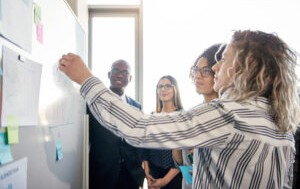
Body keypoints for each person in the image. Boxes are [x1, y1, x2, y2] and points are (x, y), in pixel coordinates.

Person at [59, 30, 300, 189]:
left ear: (245, 68)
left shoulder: (230, 115)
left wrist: (86, 79)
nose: (215, 67)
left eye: (224, 59)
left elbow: (138, 127)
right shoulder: (281, 124)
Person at [172, 43, 226, 189]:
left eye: (205, 71)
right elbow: (181, 163)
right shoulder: (190, 113)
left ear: (219, 71)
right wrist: (177, 143)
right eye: (196, 70)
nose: (197, 75)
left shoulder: (228, 115)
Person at [88, 59, 145, 189]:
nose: (120, 75)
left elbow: (139, 140)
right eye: (116, 71)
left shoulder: (136, 106)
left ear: (130, 78)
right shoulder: (95, 102)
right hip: (102, 175)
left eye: (125, 72)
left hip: (130, 176)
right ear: (109, 75)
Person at [143, 75, 183, 189]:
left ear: (175, 89)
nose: (163, 89)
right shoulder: (151, 116)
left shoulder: (182, 116)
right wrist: (147, 171)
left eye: (167, 86)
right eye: (160, 86)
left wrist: (165, 180)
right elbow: (145, 147)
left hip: (174, 176)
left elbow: (182, 156)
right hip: (153, 174)